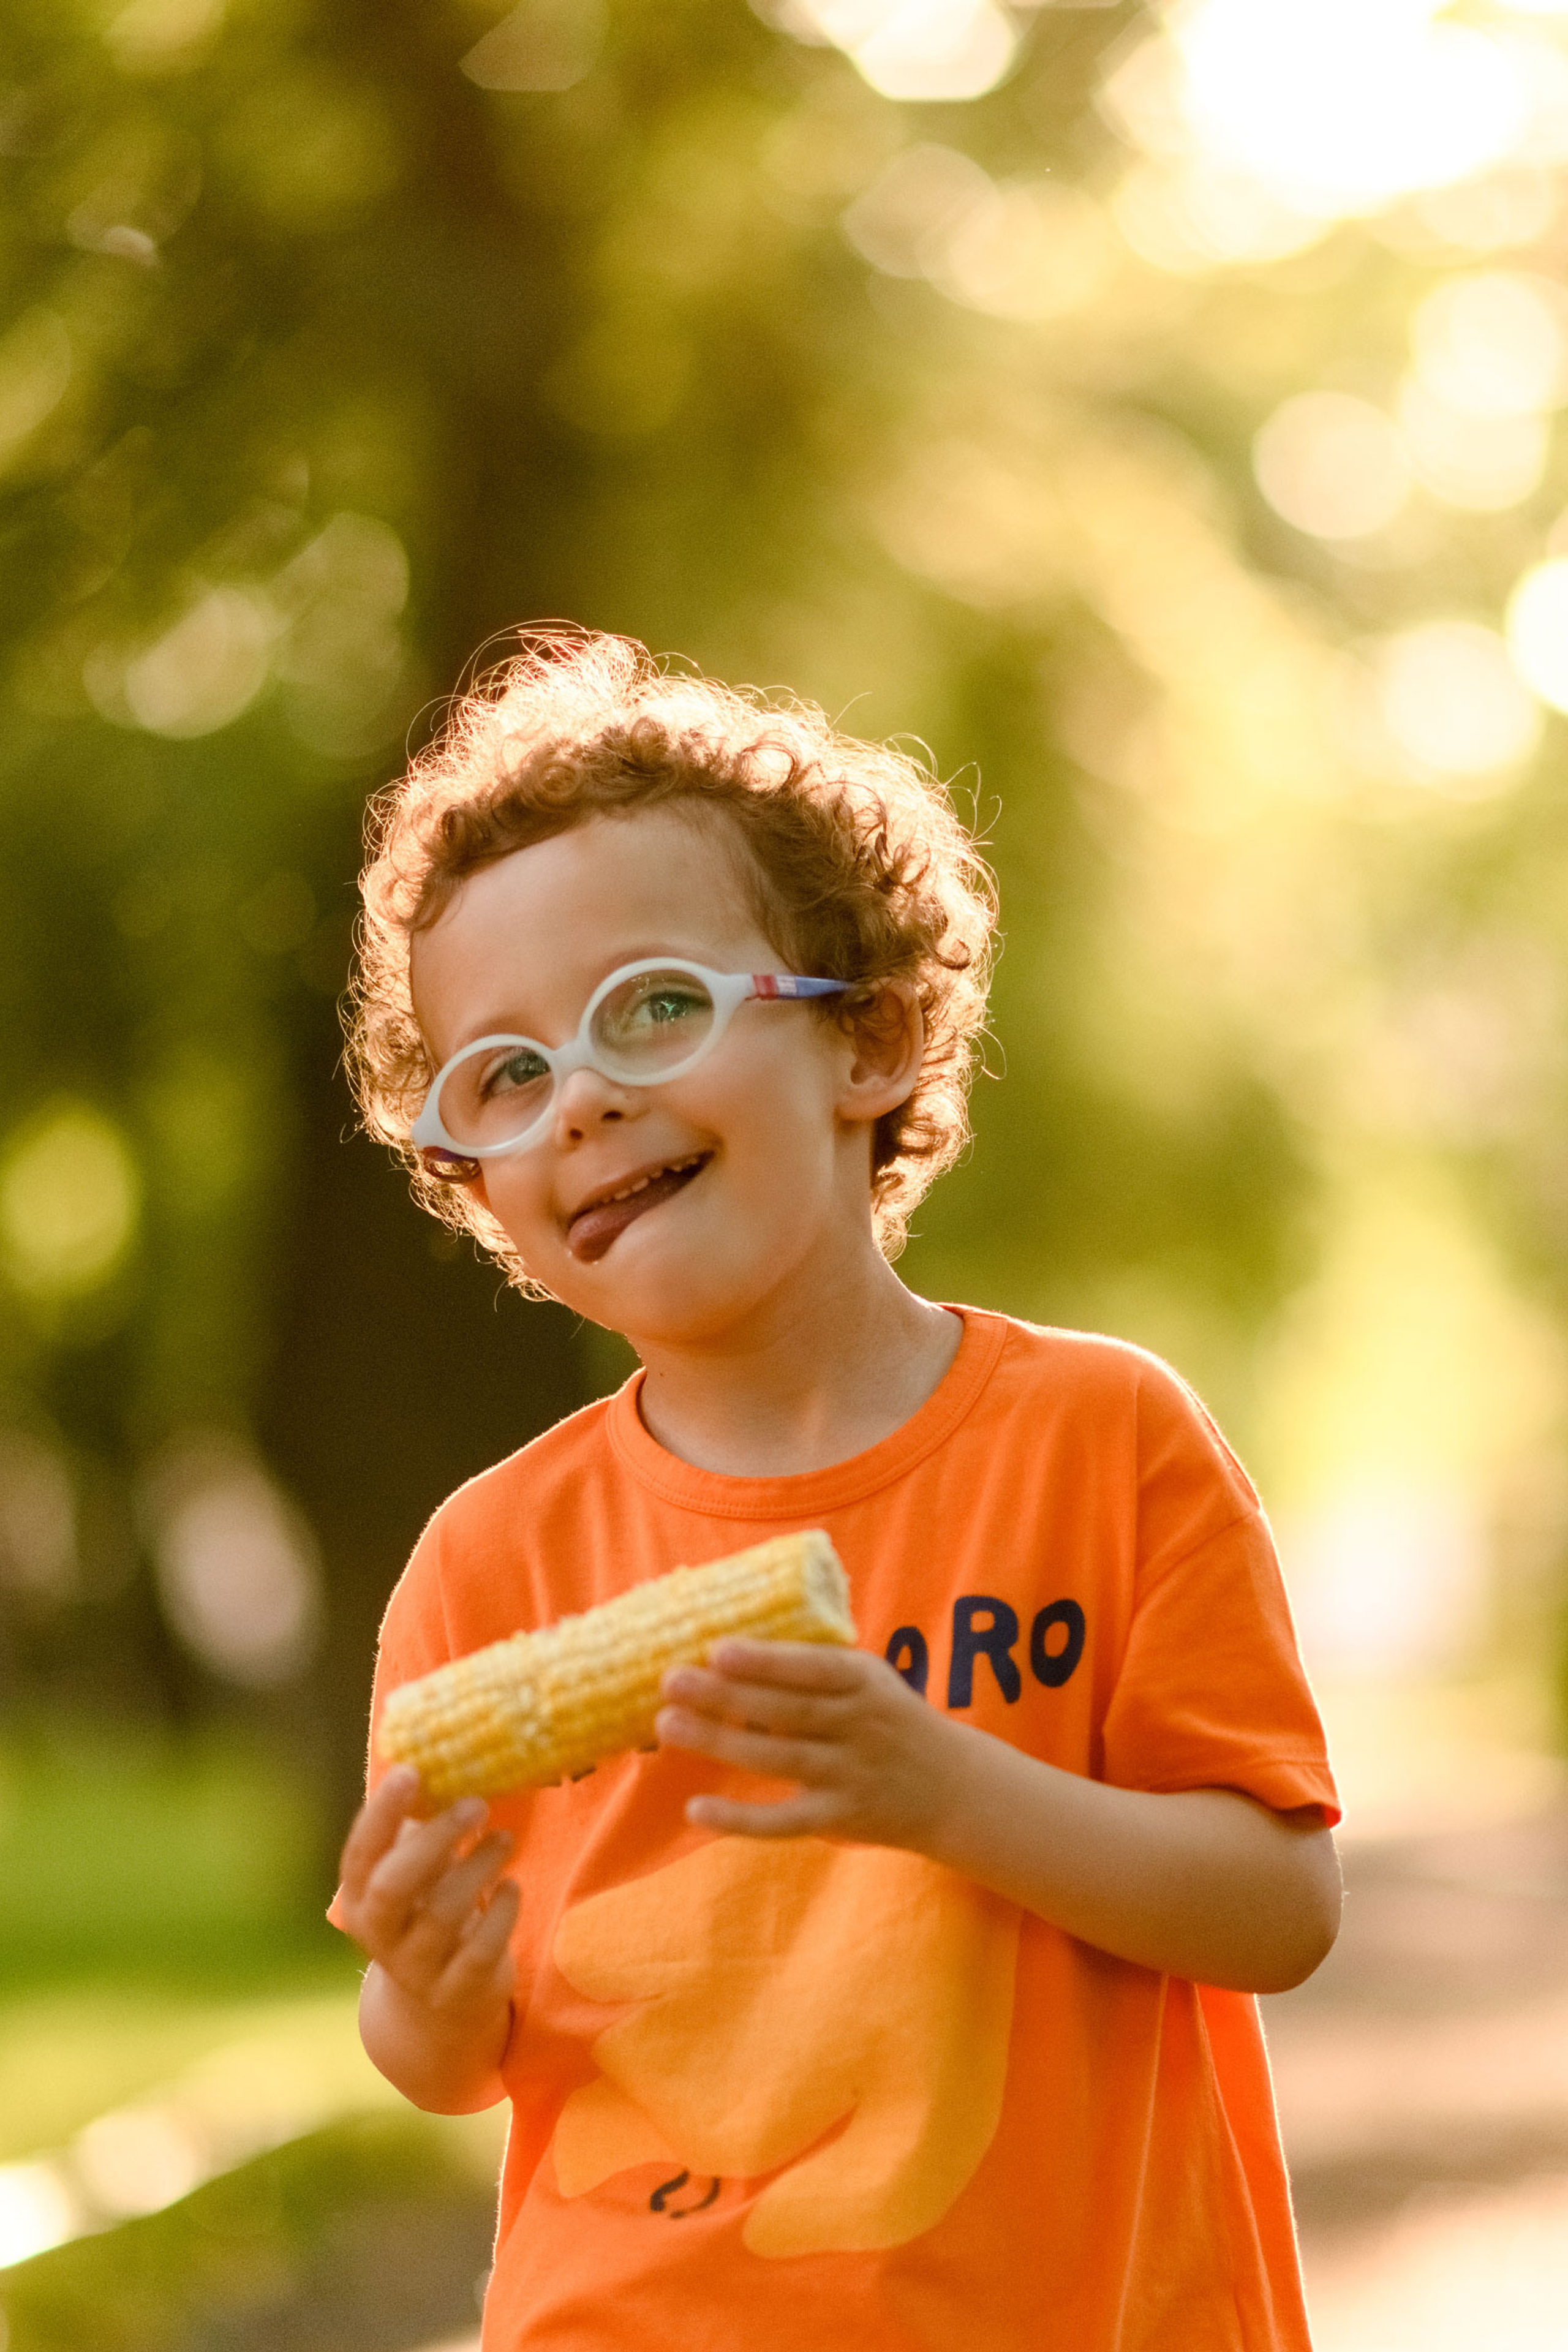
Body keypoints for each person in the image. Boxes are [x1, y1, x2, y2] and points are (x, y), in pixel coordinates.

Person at [329, 628, 1341, 2351]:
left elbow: (1278, 1910)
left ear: (867, 1038)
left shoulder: (1100, 1442)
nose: (583, 1099)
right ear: (476, 1185)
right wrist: (421, 1993)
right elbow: (451, 2061)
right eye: (505, 1074)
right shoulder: (491, 1561)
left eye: (653, 1006)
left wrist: (944, 1789)